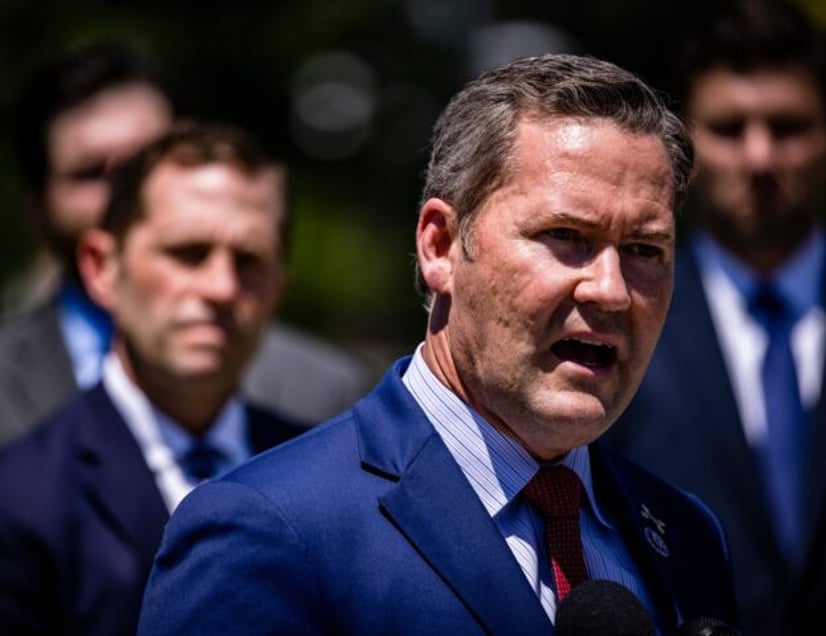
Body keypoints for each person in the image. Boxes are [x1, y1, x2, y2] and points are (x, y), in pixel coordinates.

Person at [138, 54, 739, 635]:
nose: (610, 290)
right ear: (441, 246)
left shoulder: (686, 536)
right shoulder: (267, 531)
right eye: (566, 236)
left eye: (644, 250)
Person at [0, 121, 308, 636]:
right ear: (103, 268)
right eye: (187, 253)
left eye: (249, 260)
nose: (221, 286)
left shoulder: (322, 469)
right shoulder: (18, 500)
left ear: (279, 286)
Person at [603, 1, 826, 634]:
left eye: (789, 127)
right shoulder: (614, 315)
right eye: (730, 128)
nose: (760, 158)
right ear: (684, 145)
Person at [0, 41, 377, 445]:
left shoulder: (329, 394)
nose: (121, 192)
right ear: (38, 207)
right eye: (90, 173)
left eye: (147, 160)